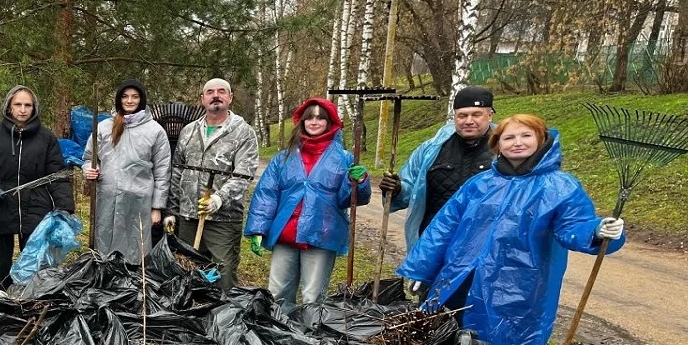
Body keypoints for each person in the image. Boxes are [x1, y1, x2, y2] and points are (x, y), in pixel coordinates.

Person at [397, 114, 627, 345]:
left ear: (541, 140)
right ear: (498, 144)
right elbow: (443, 227)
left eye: (526, 136)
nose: (517, 142)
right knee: (446, 339)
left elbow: (573, 226)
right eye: (509, 137)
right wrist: (421, 269)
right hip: (461, 277)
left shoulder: (560, 187)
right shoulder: (479, 184)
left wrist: (597, 231)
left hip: (519, 286)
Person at [243, 98, 371, 312]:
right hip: (286, 235)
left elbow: (348, 199)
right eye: (309, 117)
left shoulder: (344, 159)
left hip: (321, 234)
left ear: (329, 122)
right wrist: (258, 229)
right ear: (302, 121)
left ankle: (310, 331)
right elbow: (267, 193)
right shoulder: (284, 158)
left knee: (313, 296)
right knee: (277, 293)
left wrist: (359, 182)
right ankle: (278, 329)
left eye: (320, 118)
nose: (314, 122)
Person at [0, 85, 74, 288]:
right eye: (18, 104)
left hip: (36, 205)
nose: (22, 110)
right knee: (0, 265)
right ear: (9, 107)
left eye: (28, 105)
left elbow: (57, 175)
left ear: (34, 108)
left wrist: (65, 208)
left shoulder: (46, 138)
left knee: (35, 263)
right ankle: (0, 296)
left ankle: (31, 299)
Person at [164, 77, 259, 289]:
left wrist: (218, 199)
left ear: (230, 97)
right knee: (188, 270)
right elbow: (177, 171)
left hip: (223, 219)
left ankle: (224, 309)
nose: (215, 95)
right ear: (202, 99)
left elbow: (243, 174)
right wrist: (172, 210)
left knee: (222, 274)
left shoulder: (243, 132)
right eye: (210, 92)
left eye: (221, 91)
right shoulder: (189, 131)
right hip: (189, 215)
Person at [382, 85, 496, 250]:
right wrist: (396, 189)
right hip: (434, 242)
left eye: (476, 114)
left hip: (484, 245)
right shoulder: (430, 150)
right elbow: (409, 190)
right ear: (454, 117)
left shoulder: (506, 150)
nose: (469, 121)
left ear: (489, 115)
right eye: (462, 115)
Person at [81, 79, 171, 260]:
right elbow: (90, 158)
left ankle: (134, 276)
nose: (129, 101)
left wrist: (157, 207)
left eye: (135, 97)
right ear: (119, 99)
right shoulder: (104, 127)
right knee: (104, 248)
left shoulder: (155, 131)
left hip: (138, 203)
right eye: (125, 96)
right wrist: (90, 169)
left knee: (135, 251)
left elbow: (162, 170)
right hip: (107, 200)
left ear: (141, 99)